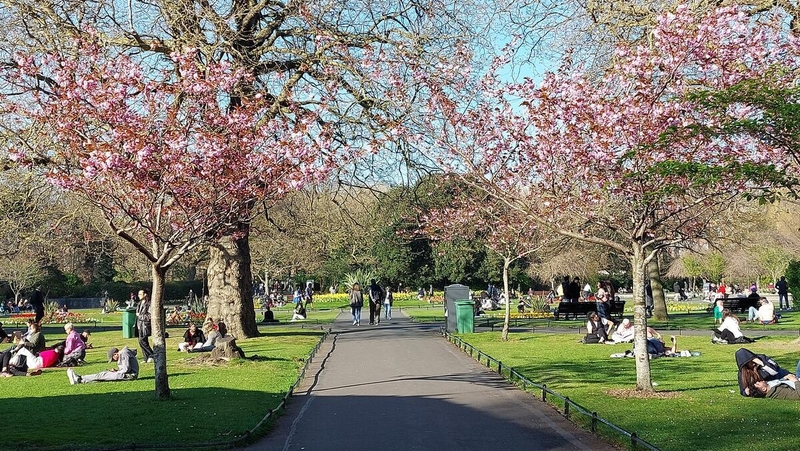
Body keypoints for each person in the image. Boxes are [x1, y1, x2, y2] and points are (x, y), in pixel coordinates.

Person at [67, 346, 139, 384]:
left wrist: (117, 372)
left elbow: (126, 369)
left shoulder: (123, 353)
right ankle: (80, 380)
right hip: (128, 375)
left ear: (115, 354)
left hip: (130, 376)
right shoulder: (124, 353)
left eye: (113, 359)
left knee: (103, 375)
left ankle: (79, 378)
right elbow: (126, 368)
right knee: (102, 377)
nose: (114, 361)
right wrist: (117, 371)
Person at [136, 289, 154, 363]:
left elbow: (150, 316)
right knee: (142, 341)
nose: (138, 296)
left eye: (140, 294)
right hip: (139, 325)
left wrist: (140, 316)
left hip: (145, 325)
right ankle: (146, 358)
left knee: (142, 341)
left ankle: (152, 355)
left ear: (145, 294)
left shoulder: (149, 304)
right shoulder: (139, 303)